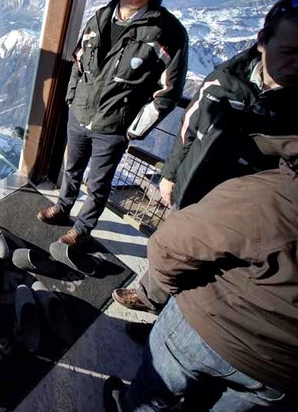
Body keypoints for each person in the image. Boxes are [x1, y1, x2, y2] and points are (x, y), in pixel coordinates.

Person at [113, 0, 298, 316]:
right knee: (174, 245)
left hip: (240, 217)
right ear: (262, 42)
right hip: (192, 189)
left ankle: (175, 320)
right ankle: (150, 297)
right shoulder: (221, 83)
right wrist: (170, 174)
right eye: (290, 52)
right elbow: (187, 130)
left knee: (211, 276)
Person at [103, 133, 298, 412]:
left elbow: (169, 247)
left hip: (210, 327)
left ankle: (126, 405)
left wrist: (176, 293)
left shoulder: (274, 196)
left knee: (153, 393)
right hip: (281, 372)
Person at [37, 0, 188, 250]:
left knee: (98, 183)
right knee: (71, 168)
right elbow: (78, 62)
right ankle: (64, 207)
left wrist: (131, 130)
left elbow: (168, 94)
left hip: (113, 128)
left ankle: (83, 227)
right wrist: (71, 100)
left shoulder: (168, 33)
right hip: (79, 115)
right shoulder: (99, 20)